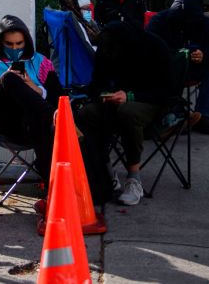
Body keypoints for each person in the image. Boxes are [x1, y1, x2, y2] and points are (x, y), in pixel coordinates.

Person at [75, 21, 180, 207]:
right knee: (86, 114)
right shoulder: (107, 48)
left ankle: (134, 179)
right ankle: (104, 170)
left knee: (127, 112)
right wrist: (103, 95)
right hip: (116, 101)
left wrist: (131, 96)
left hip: (152, 102)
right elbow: (96, 83)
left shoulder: (154, 47)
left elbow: (169, 92)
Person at [0, 15, 63, 181]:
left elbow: (60, 98)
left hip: (33, 126)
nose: (15, 48)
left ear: (26, 42)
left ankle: (55, 187)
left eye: (19, 44)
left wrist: (37, 90)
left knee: (44, 122)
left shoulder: (42, 64)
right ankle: (63, 124)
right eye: (9, 44)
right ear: (0, 42)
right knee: (9, 79)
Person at [146, 0, 209, 134]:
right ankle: (173, 115)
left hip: (193, 65)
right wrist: (179, 53)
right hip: (166, 67)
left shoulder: (203, 22)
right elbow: (150, 48)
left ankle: (203, 117)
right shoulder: (159, 21)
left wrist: (203, 54)